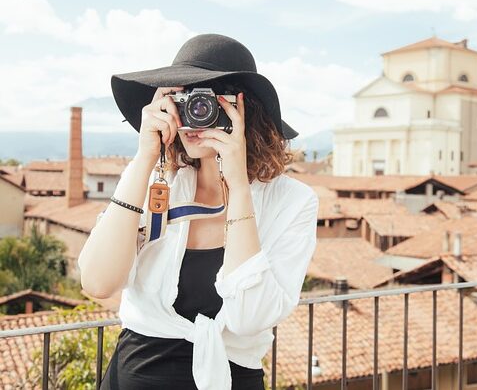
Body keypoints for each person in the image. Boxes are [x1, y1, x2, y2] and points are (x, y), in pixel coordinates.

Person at [77, 33, 319, 390]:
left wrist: (238, 186)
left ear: (243, 110)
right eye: (182, 98)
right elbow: (98, 282)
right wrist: (145, 156)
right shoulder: (153, 179)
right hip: (136, 375)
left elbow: (250, 317)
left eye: (207, 100)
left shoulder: (293, 201)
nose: (194, 113)